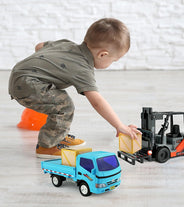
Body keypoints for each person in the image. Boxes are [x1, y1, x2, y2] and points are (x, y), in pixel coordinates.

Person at [8, 18, 141, 158]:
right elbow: (97, 102)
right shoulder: (82, 69)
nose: (112, 63)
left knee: (59, 98)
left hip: (20, 74)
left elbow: (39, 46)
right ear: (103, 54)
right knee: (63, 105)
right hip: (26, 85)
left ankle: (57, 135)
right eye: (113, 60)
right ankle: (47, 146)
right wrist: (120, 126)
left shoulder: (66, 44)